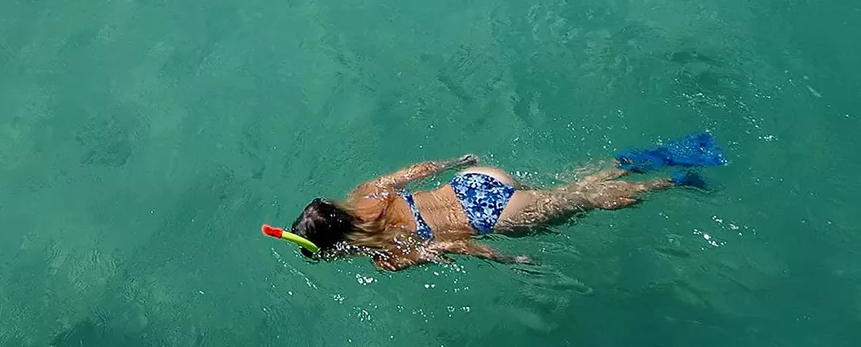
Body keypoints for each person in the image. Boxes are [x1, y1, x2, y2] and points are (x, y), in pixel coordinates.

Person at [285, 133, 724, 272]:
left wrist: (506, 258)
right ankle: (653, 158)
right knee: (573, 187)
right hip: (472, 183)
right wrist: (459, 161)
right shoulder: (367, 193)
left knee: (590, 199)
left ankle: (673, 179)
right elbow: (415, 171)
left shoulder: (386, 255)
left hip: (489, 215)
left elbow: (451, 246)